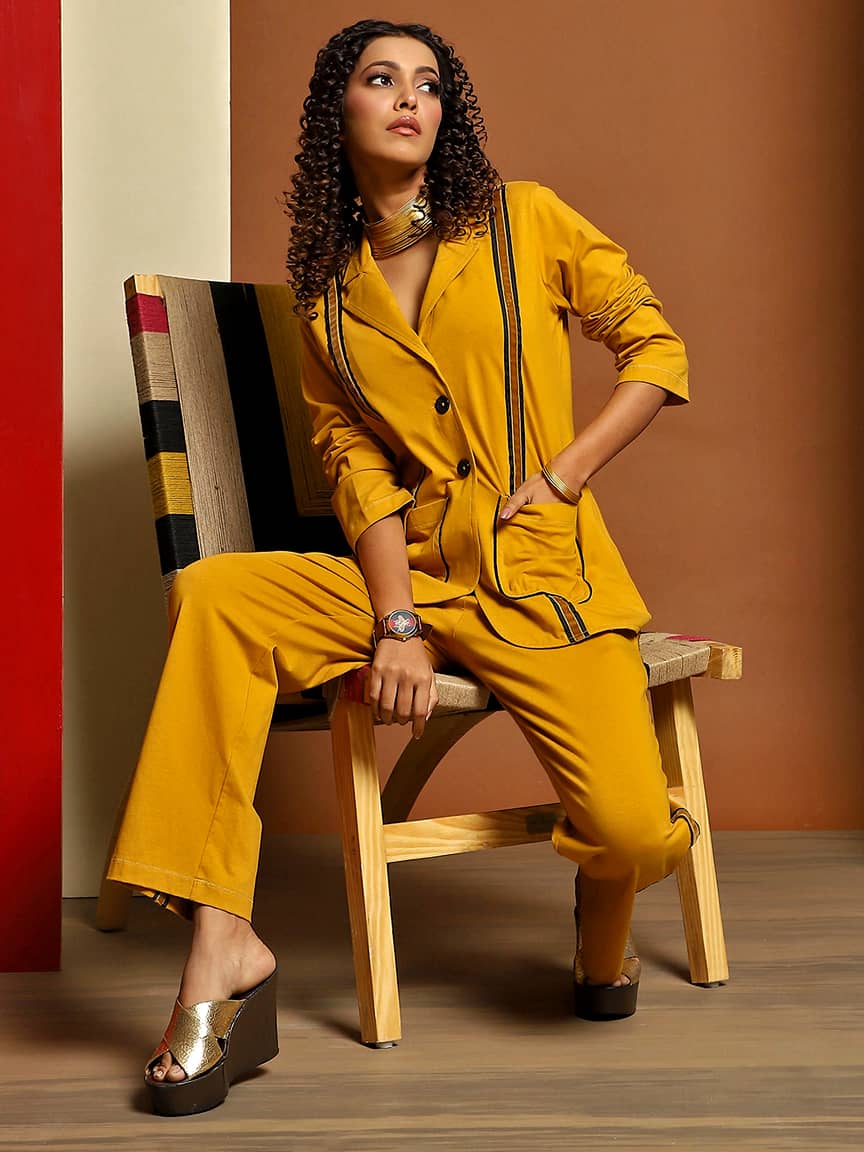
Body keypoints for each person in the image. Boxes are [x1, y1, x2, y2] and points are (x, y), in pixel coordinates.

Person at [106, 17, 699, 1116]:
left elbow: (655, 348)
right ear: (339, 112)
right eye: (381, 79)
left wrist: (565, 473)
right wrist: (395, 622)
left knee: (627, 830)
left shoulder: (524, 219)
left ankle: (607, 895)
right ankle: (221, 945)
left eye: (428, 83)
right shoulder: (327, 292)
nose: (409, 97)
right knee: (219, 593)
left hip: (543, 579)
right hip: (413, 574)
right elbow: (358, 469)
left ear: (446, 114)